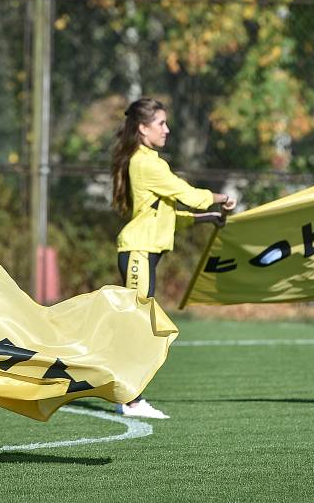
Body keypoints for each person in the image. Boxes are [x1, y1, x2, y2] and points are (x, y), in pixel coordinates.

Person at [110, 97, 236, 419]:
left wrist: (209, 218)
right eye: (161, 124)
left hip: (144, 253)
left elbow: (168, 214)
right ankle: (132, 401)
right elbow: (188, 194)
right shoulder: (148, 163)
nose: (167, 130)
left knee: (138, 325)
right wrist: (222, 198)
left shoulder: (146, 161)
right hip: (138, 253)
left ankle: (126, 395)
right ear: (142, 128)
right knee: (139, 326)